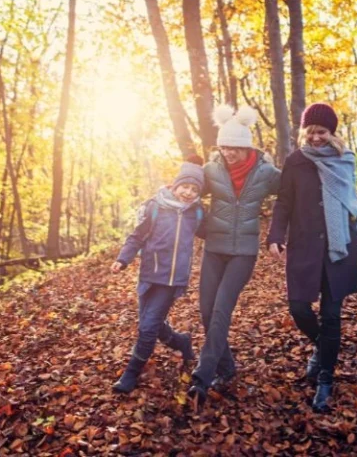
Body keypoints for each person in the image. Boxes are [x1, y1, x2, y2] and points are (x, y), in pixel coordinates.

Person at [268, 103, 357, 413]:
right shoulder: (295, 161)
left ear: (332, 132)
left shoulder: (344, 159)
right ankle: (323, 347)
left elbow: (351, 199)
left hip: (339, 247)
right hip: (304, 245)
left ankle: (325, 379)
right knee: (298, 308)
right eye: (310, 132)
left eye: (322, 132)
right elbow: (284, 202)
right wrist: (275, 235)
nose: (316, 137)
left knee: (331, 315)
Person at [187, 104, 281, 404]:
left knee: (221, 310)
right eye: (224, 147)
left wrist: (280, 234)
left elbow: (293, 192)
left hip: (243, 253)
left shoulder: (266, 173)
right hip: (214, 249)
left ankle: (203, 376)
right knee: (206, 311)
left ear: (246, 147)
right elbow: (187, 188)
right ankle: (226, 367)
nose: (228, 153)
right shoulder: (211, 170)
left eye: (234, 148)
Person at [110, 160, 205, 393]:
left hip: (171, 280)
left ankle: (131, 373)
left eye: (194, 190)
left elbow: (212, 233)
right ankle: (181, 341)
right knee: (150, 322)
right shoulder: (155, 207)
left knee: (148, 327)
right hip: (148, 275)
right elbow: (137, 236)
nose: (188, 193)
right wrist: (123, 259)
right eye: (185, 187)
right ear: (175, 185)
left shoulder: (197, 212)